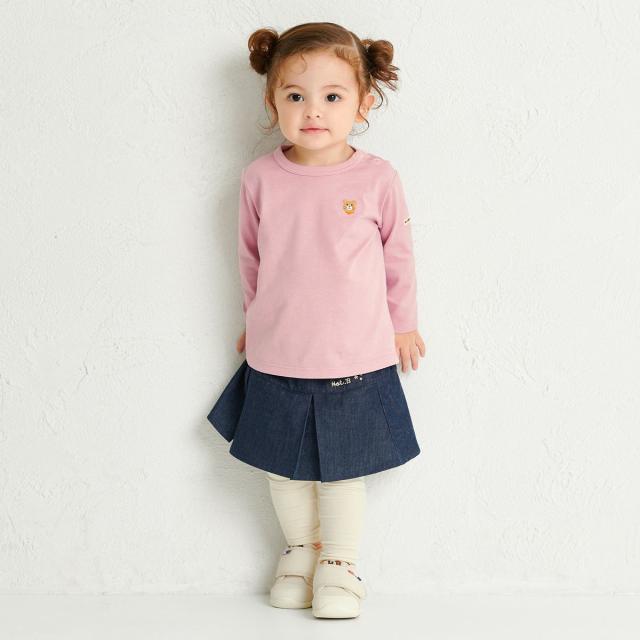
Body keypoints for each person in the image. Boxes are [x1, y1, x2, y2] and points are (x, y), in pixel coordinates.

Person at [206, 22, 427, 619]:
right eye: (295, 95)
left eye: (332, 96)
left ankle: (341, 564)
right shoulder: (260, 179)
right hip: (278, 351)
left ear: (363, 102)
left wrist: (404, 323)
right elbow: (250, 258)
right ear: (271, 101)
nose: (313, 111)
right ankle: (301, 551)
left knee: (343, 468)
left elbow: (399, 257)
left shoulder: (377, 179)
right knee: (281, 465)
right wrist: (255, 318)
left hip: (355, 354)